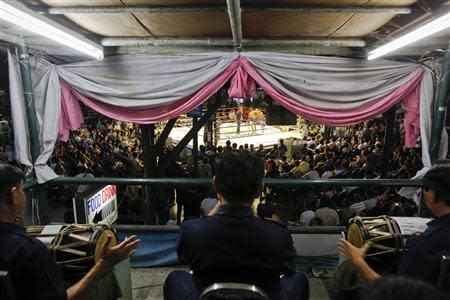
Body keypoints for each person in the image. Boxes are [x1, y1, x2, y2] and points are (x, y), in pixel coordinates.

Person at [164, 150, 309, 300]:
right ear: (260, 189)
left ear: (215, 185)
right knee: (298, 279)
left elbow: (184, 257)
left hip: (207, 295)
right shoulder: (277, 234)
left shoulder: (192, 230)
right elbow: (289, 268)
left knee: (175, 278)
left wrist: (209, 217)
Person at [0, 164, 140, 300]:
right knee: (105, 281)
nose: (23, 194)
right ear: (14, 196)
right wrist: (104, 265)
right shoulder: (29, 250)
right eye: (22, 190)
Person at [339, 166, 450, 289]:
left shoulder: (423, 244)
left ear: (433, 193)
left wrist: (358, 260)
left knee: (347, 272)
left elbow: (396, 292)